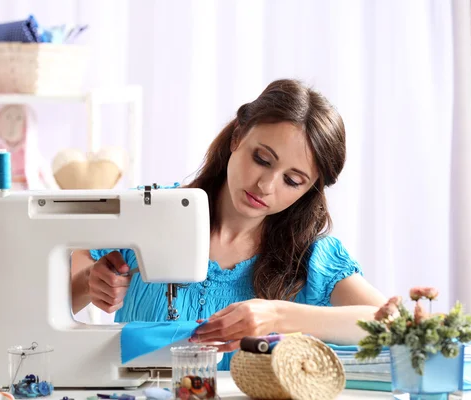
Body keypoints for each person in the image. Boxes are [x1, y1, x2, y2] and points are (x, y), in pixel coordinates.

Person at [71, 78, 387, 370]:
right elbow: (48, 296)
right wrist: (90, 282)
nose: (266, 185)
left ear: (309, 190)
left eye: (292, 180)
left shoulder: (310, 257)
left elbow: (390, 323)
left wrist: (279, 313)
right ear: (237, 137)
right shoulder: (147, 211)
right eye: (262, 159)